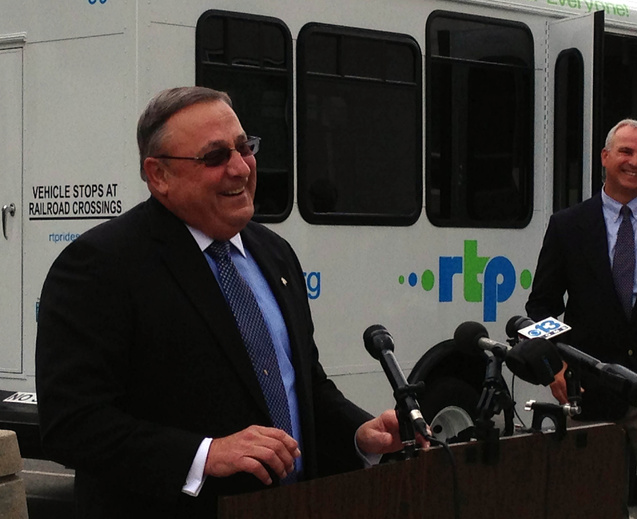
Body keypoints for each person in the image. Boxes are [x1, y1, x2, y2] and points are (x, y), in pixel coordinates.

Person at [35, 86, 425, 518]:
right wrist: (205, 455)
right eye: (215, 157)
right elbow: (71, 423)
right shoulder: (101, 265)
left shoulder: (274, 253)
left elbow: (304, 387)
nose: (240, 169)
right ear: (159, 175)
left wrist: (359, 433)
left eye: (244, 148)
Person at [526, 118, 637, 517]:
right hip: (590, 395)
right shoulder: (568, 226)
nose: (634, 162)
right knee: (592, 507)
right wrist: (554, 366)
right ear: (605, 157)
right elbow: (540, 307)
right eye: (626, 152)